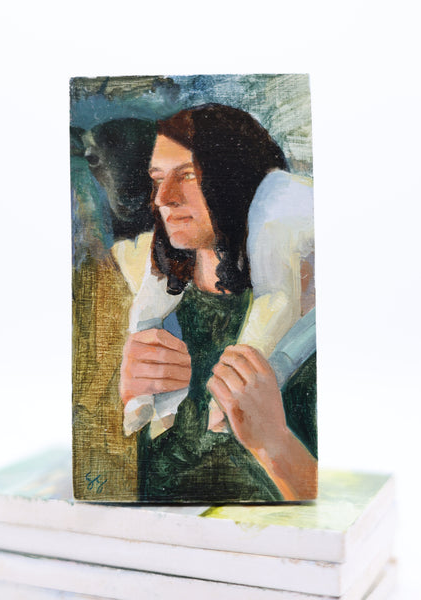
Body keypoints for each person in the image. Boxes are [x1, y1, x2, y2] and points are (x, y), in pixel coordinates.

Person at [120, 105, 317, 502]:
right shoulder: (149, 291)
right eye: (157, 179)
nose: (164, 198)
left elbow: (329, 499)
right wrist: (130, 394)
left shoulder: (304, 313)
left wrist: (273, 442)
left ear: (236, 179)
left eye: (188, 176)